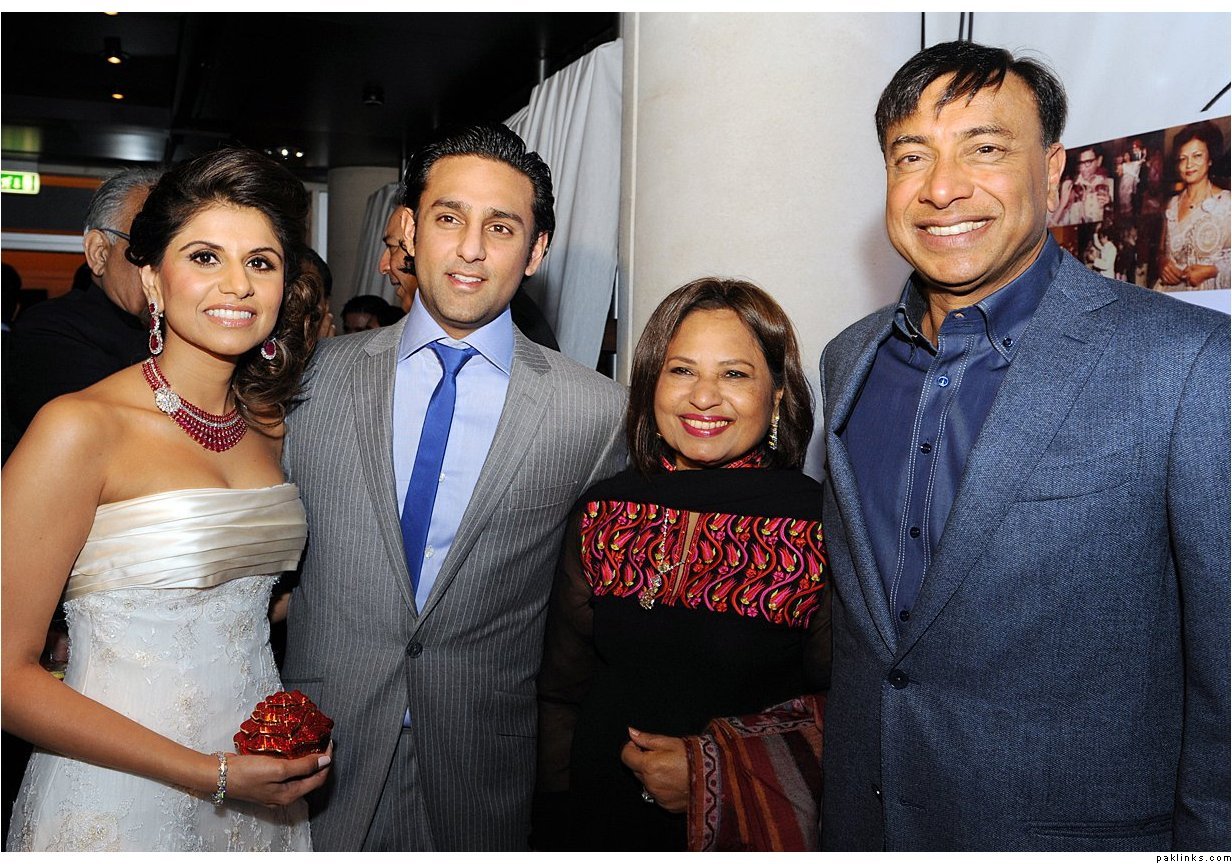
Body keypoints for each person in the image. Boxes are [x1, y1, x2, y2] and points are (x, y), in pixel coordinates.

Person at [812, 40, 1228, 851]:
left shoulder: (1189, 366)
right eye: (911, 156)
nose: (941, 188)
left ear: (1052, 170)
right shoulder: (849, 361)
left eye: (985, 149)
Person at [280, 122, 627, 851]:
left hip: (483, 767)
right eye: (449, 218)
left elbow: (593, 615)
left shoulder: (595, 414)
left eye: (501, 227)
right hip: (314, 754)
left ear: (535, 250)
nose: (471, 248)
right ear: (409, 231)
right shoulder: (310, 381)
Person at [2, 147, 332, 852]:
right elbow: (5, 676)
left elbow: (247, 597)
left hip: (260, 782)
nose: (237, 284)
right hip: (119, 790)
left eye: (261, 262)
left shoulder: (271, 427)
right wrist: (208, 773)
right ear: (152, 278)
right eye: (205, 257)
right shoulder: (79, 428)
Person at [533, 278, 828, 851]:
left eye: (734, 374)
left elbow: (851, 710)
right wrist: (553, 823)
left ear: (777, 395)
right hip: (596, 818)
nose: (704, 397)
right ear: (651, 384)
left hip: (746, 829)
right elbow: (561, 693)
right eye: (682, 370)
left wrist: (713, 770)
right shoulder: (603, 509)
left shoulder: (818, 526)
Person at [4, 168, 160, 438]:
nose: (163, 267)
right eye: (149, 249)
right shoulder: (49, 330)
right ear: (99, 253)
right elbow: (110, 438)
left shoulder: (182, 329)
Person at [1155, 120, 1230, 291]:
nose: (1189, 165)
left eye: (1197, 156)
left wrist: (1212, 270)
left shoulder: (1226, 204)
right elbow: (1161, 251)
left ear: (1210, 159)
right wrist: (1162, 263)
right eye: (1183, 158)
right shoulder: (1172, 204)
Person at [1052, 144, 1114, 226]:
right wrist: (1062, 204)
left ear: (1099, 161)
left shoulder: (1109, 184)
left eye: (1088, 162)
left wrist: (1110, 205)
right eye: (1080, 163)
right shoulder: (1069, 186)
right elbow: (1051, 226)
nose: (1082, 168)